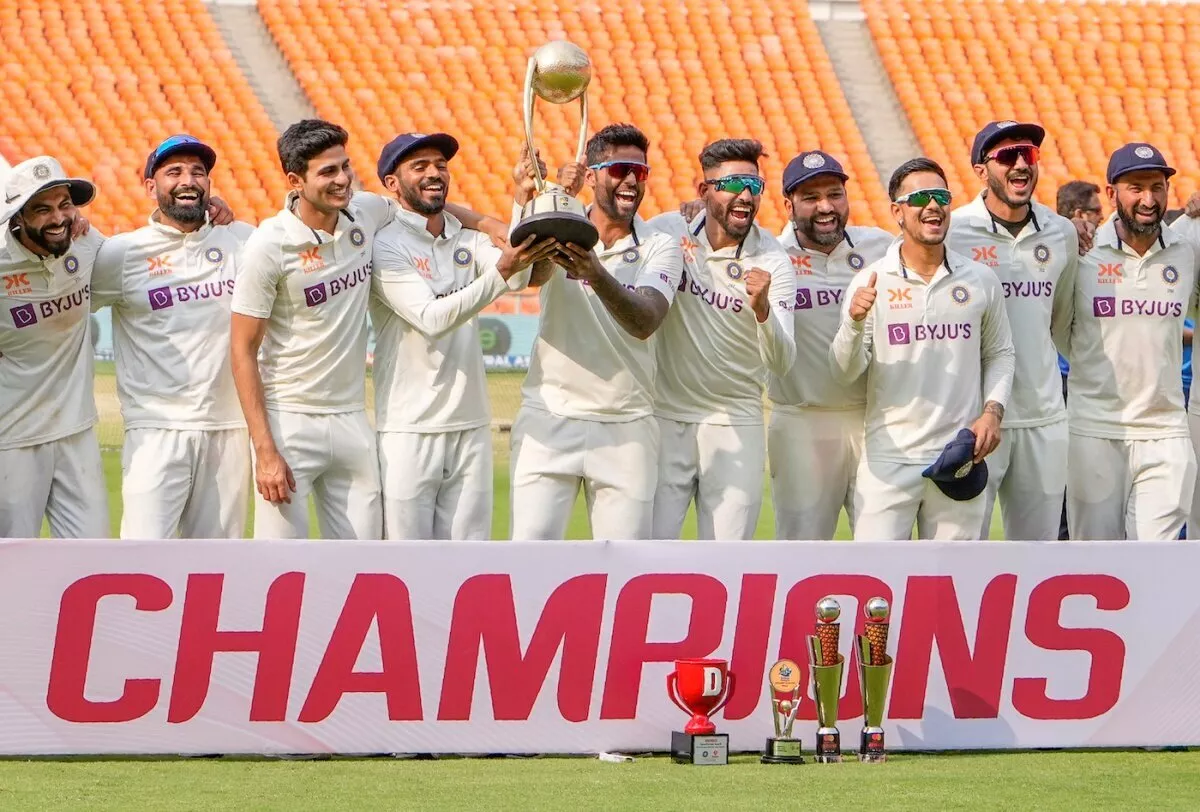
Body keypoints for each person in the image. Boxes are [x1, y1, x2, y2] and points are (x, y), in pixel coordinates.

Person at [370, 132, 555, 540]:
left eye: (440, 165)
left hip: (470, 425)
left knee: (469, 563)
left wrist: (521, 199)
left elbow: (521, 273)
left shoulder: (466, 238)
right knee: (405, 564)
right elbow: (432, 318)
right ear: (392, 184)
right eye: (419, 167)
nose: (435, 173)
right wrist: (501, 272)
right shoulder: (384, 245)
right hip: (408, 429)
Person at [508, 124, 682, 540]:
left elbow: (645, 320)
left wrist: (595, 272)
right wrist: (535, 202)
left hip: (626, 426)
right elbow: (529, 276)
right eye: (620, 169)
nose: (630, 180)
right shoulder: (561, 219)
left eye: (639, 173)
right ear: (591, 177)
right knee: (527, 561)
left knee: (624, 572)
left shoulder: (661, 245)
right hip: (549, 417)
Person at [831, 157, 1015, 540]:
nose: (932, 206)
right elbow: (844, 371)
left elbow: (999, 353)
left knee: (952, 588)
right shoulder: (871, 280)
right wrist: (854, 322)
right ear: (897, 211)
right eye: (919, 198)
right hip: (888, 459)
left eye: (940, 196)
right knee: (876, 586)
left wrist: (992, 413)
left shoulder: (979, 279)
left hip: (957, 457)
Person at [92, 135, 255, 539]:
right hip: (156, 431)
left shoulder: (244, 241)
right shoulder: (121, 253)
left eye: (198, 172)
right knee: (143, 559)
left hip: (229, 429)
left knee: (217, 568)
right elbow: (69, 306)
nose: (189, 180)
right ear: (151, 187)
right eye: (174, 172)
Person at [648, 138, 797, 540]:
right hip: (666, 416)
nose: (745, 195)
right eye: (732, 185)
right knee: (650, 552)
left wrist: (763, 309)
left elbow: (783, 362)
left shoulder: (773, 260)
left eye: (754, 186)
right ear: (704, 190)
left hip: (736, 419)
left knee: (728, 559)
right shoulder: (666, 231)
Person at [1057, 143, 1199, 540]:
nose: (1148, 199)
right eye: (1135, 188)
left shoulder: (1184, 249)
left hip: (1166, 429)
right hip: (1094, 428)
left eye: (1157, 187)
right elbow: (1058, 327)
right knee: (1095, 561)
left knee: (1156, 562)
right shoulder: (1081, 251)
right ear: (1111, 193)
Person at [946, 121, 1078, 541]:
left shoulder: (1062, 232)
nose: (1021, 163)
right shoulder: (953, 231)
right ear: (981, 170)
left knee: (1039, 554)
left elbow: (1060, 319)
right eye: (1007, 156)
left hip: (1043, 417)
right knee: (964, 549)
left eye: (1029, 154)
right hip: (974, 417)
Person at [767, 150, 893, 540]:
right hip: (801, 420)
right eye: (811, 198)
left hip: (872, 419)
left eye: (835, 194)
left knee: (884, 546)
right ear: (789, 205)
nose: (826, 207)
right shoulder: (771, 255)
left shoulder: (881, 248)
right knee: (802, 549)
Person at [0, 157, 108, 538]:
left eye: (65, 205)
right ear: (18, 217)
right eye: (42, 210)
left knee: (92, 558)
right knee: (11, 563)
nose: (58, 218)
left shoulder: (88, 244)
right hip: (11, 440)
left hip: (76, 431)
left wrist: (210, 217)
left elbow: (147, 261)